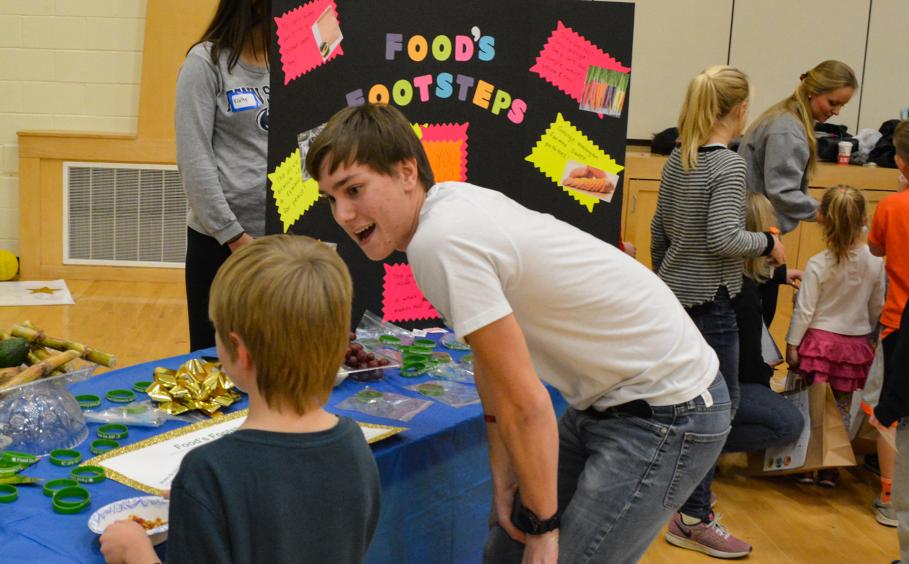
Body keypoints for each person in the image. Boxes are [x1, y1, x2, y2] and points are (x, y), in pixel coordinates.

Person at [307, 103, 731, 564]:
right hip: (608, 403)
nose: (344, 214)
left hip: (670, 408)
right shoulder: (443, 211)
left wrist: (545, 529)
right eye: (331, 198)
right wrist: (503, 473)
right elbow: (493, 368)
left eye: (354, 189)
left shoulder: (440, 239)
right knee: (505, 548)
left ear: (407, 171)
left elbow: (529, 402)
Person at [99, 235, 381, 564]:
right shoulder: (354, 443)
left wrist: (136, 552)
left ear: (240, 352)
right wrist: (200, 502)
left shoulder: (209, 471)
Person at [651, 65, 784, 558]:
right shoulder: (728, 167)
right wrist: (768, 241)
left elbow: (659, 237)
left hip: (676, 302)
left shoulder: (676, 160)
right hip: (713, 307)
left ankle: (681, 505)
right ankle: (693, 518)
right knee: (716, 416)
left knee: (683, 406)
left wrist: (671, 281)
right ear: (740, 109)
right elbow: (726, 238)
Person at [176, 0, 271, 351]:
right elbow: (194, 160)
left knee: (277, 360)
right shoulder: (205, 63)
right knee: (215, 361)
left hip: (283, 244)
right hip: (221, 245)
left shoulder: (295, 61)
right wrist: (234, 237)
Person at [738, 60, 857, 324]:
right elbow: (782, 192)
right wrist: (824, 214)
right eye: (833, 102)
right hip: (757, 234)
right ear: (813, 91)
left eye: (842, 105)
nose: (836, 112)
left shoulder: (786, 118)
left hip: (757, 234)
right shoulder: (787, 128)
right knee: (755, 327)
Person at [786, 185, 885, 486]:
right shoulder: (876, 261)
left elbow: (805, 310)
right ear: (864, 219)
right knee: (839, 408)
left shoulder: (818, 264)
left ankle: (804, 463)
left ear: (822, 219)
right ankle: (829, 468)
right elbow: (877, 306)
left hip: (817, 344)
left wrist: (793, 344)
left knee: (811, 404)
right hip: (853, 345)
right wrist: (867, 334)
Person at [724, 192, 804, 454]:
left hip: (719, 381)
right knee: (789, 423)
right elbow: (750, 368)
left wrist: (776, 273)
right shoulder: (743, 293)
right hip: (730, 384)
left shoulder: (729, 272)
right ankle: (708, 443)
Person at [869, 119, 909, 552]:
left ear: (899, 162)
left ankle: (887, 494)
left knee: (889, 414)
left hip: (898, 322)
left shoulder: (893, 207)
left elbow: (877, 249)